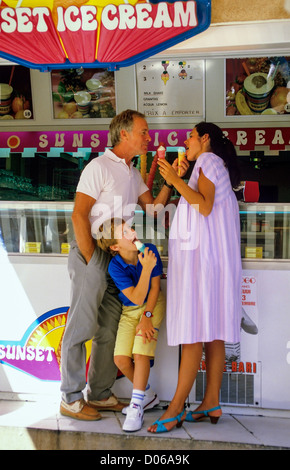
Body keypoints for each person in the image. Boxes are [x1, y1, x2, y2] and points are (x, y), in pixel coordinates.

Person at [60, 109, 173, 421]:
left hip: (116, 256)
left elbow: (153, 209)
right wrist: (90, 259)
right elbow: (79, 214)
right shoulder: (98, 167)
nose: (148, 138)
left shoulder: (132, 172)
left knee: (108, 329)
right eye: (144, 132)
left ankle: (98, 395)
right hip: (93, 252)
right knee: (81, 325)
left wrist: (171, 178)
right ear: (124, 134)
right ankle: (70, 397)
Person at [148, 122, 242, 433]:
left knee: (193, 334)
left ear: (204, 139)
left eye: (190, 136)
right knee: (212, 333)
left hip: (202, 265)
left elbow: (204, 206)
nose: (185, 141)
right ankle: (211, 402)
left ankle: (174, 410)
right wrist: (178, 179)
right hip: (213, 264)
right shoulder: (213, 166)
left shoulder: (208, 161)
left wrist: (174, 179)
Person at [96, 218, 165, 432]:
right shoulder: (115, 267)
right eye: (124, 232)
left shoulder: (151, 250)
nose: (131, 232)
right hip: (130, 309)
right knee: (121, 359)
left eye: (129, 228)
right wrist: (146, 268)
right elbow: (134, 298)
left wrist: (147, 316)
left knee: (141, 352)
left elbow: (154, 289)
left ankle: (136, 407)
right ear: (115, 247)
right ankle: (148, 396)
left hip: (153, 305)